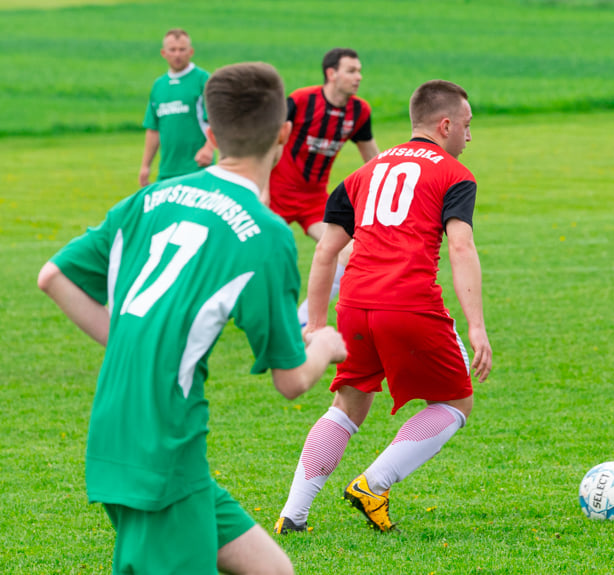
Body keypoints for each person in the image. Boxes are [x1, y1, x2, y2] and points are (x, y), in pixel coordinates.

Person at [38, 62, 346, 574]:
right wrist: (326, 345)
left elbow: (53, 276)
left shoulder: (150, 199)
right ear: (286, 134)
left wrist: (134, 342)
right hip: (163, 448)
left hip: (133, 433)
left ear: (209, 130)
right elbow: (292, 381)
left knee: (274, 570)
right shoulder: (265, 235)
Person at [273, 79, 492, 535]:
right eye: (467, 126)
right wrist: (477, 326)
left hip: (353, 305)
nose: (468, 136)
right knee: (456, 401)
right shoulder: (454, 174)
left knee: (348, 403)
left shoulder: (362, 174)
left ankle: (293, 515)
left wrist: (315, 323)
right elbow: (461, 247)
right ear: (446, 124)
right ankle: (374, 484)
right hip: (409, 304)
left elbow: (325, 252)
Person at [266, 47, 380, 326]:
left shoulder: (359, 111)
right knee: (256, 254)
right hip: (275, 194)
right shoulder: (301, 100)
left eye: (359, 71)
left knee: (349, 250)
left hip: (314, 201)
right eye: (351, 71)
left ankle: (303, 320)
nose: (358, 77)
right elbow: (269, 144)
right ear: (331, 73)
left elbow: (373, 159)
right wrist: (261, 191)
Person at [139, 29, 215, 187]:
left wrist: (208, 149)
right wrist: (145, 166)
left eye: (182, 49)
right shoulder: (159, 85)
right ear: (163, 53)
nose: (177, 54)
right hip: (167, 171)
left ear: (191, 51)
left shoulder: (203, 80)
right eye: (172, 50)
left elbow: (216, 121)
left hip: (197, 169)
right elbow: (154, 129)